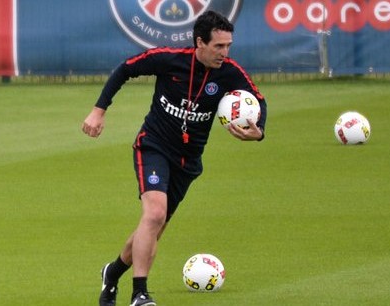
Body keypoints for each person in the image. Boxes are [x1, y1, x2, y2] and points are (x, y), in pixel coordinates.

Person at [82, 10, 267, 306]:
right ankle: (139, 293)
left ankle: (112, 273)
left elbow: (258, 100)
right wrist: (98, 110)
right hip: (153, 146)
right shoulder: (169, 59)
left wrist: (260, 131)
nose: (225, 52)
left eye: (228, 45)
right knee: (154, 214)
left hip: (188, 162)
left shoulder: (230, 72)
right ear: (199, 43)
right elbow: (125, 68)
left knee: (154, 228)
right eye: (219, 46)